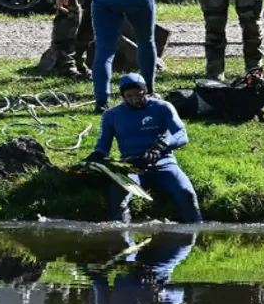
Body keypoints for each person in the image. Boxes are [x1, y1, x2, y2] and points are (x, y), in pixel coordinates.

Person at [85, 73, 203, 224]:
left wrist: (161, 146)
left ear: (145, 92)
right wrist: (97, 156)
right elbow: (103, 146)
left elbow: (181, 134)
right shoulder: (111, 115)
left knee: (187, 193)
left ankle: (195, 227)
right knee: (119, 194)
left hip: (164, 163)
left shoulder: (162, 107)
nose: (134, 99)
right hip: (132, 166)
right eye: (129, 96)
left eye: (138, 95)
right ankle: (120, 233)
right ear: (123, 96)